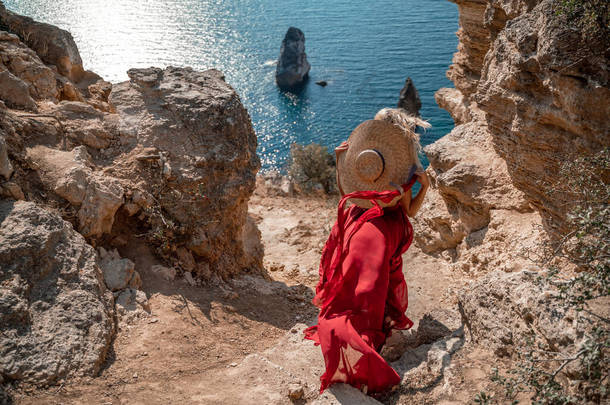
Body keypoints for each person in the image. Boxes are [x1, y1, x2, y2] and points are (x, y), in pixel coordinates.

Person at [304, 108, 430, 395]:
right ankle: (364, 338)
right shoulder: (402, 166)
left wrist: (340, 159)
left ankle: (352, 328)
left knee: (357, 282)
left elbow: (346, 194)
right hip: (383, 229)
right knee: (371, 284)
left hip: (355, 220)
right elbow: (408, 211)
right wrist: (424, 187)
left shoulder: (362, 158)